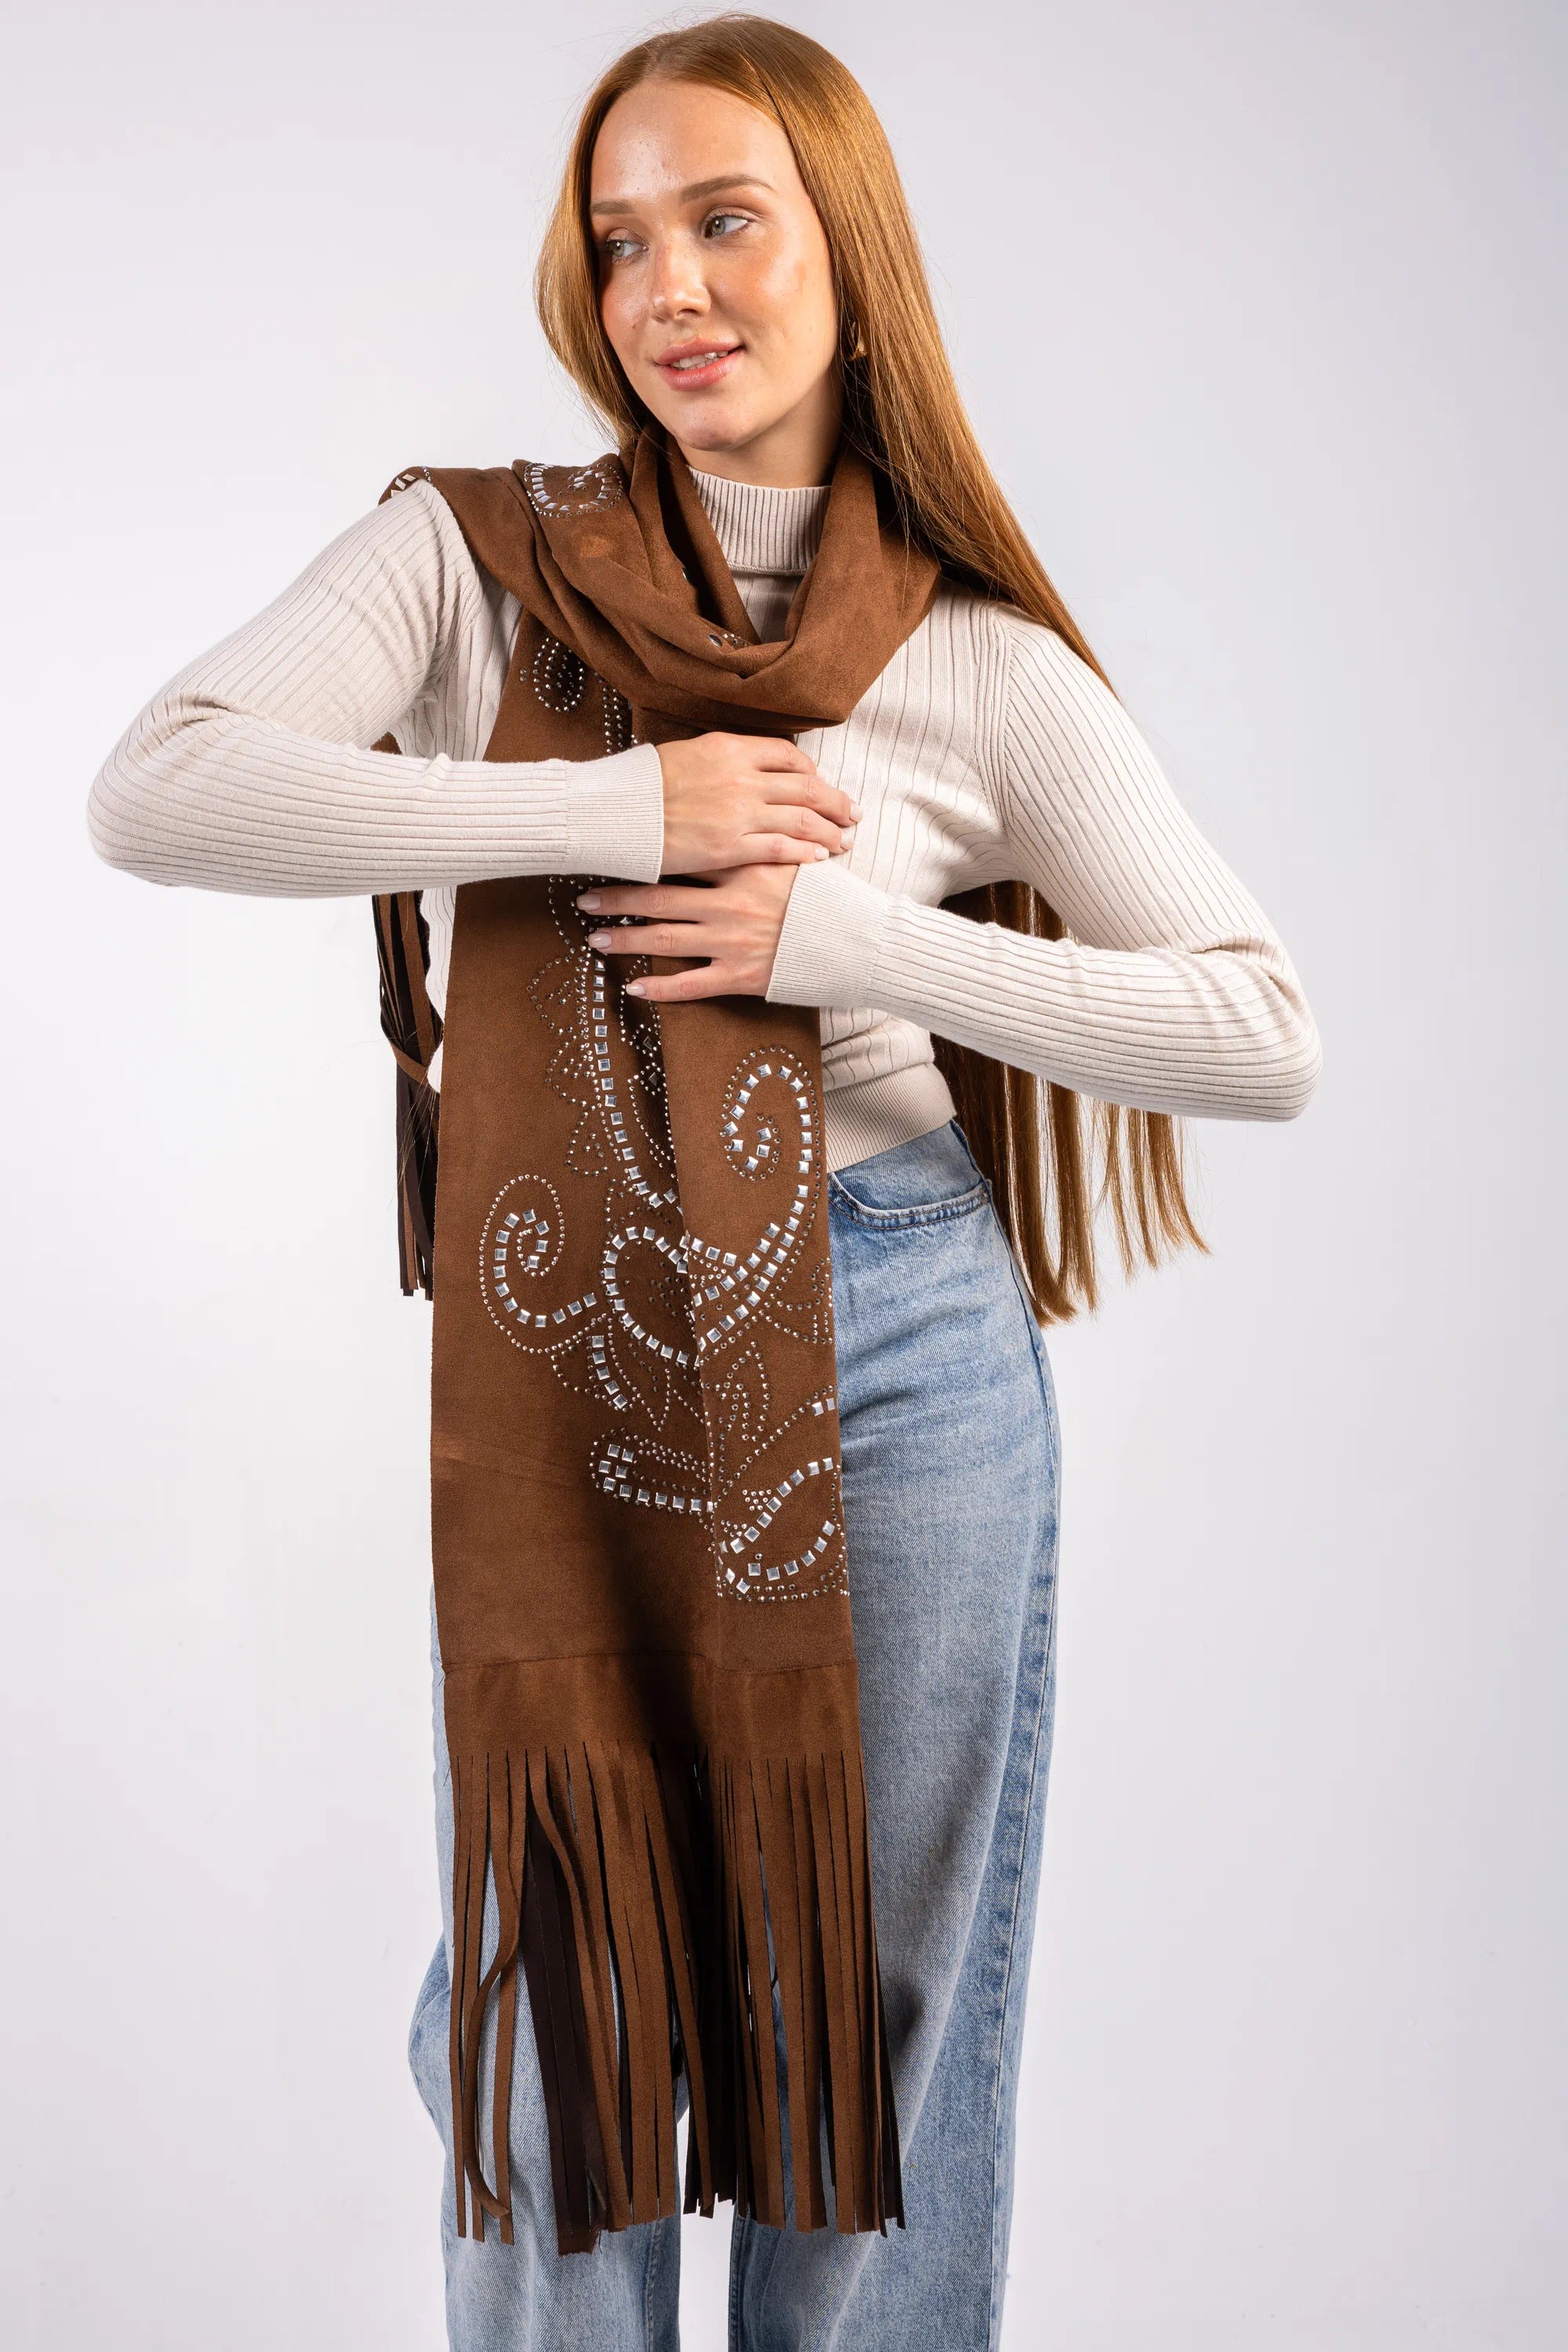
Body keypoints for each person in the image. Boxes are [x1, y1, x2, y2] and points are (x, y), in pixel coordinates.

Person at [87, 16, 1321, 2349]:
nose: (671, 284)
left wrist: (849, 940)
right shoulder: (470, 564)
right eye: (621, 236)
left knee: (874, 2030)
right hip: (578, 1358)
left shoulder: (970, 660)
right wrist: (616, 817)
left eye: (726, 219)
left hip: (906, 1340)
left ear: (847, 252)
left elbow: (1264, 1029)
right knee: (551, 2015)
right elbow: (164, 786)